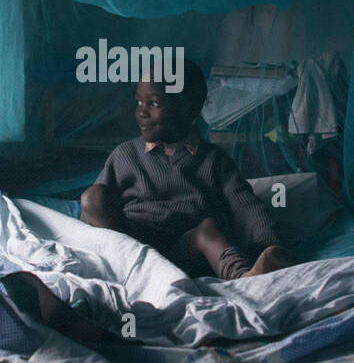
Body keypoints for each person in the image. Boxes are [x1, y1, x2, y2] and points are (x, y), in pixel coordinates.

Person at [80, 59, 294, 280]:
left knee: (208, 230)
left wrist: (269, 244)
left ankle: (243, 277)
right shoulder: (125, 155)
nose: (141, 112)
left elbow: (247, 207)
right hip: (132, 248)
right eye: (138, 102)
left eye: (153, 103)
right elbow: (95, 213)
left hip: (185, 251)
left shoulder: (214, 160)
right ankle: (126, 272)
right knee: (92, 197)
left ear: (188, 108)